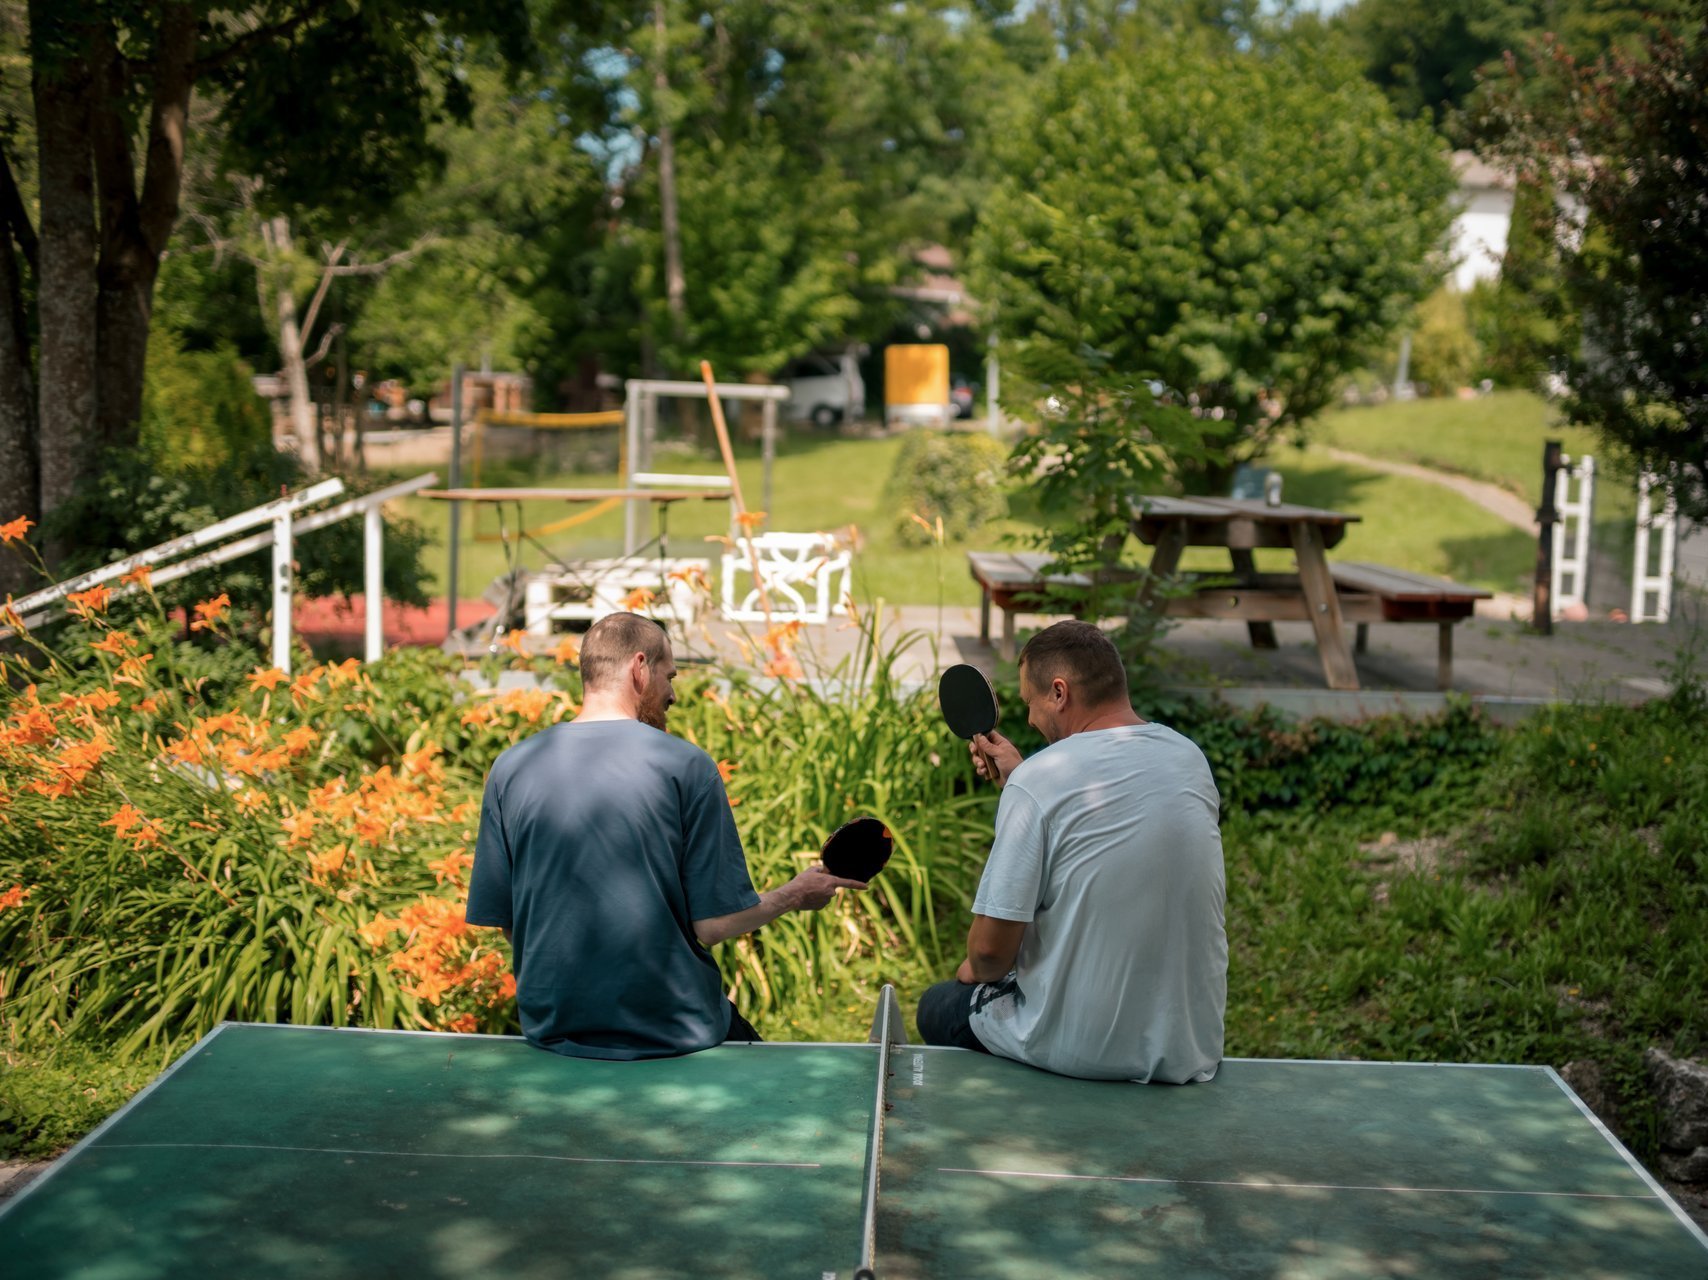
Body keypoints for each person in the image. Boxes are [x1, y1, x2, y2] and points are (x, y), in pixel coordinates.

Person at [465, 612, 865, 1059]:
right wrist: (795, 893)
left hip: (552, 1026)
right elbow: (714, 926)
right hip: (668, 1027)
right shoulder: (686, 765)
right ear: (639, 668)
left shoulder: (511, 766)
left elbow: (507, 920)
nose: (672, 693)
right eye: (668, 675)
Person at [916, 620, 1227, 1082]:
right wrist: (1022, 780)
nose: (1028, 719)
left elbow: (989, 956)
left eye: (1029, 702)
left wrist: (971, 971)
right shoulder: (1188, 758)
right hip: (1188, 1048)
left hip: (1082, 1051)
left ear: (1059, 693)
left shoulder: (1040, 782)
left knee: (937, 1007)